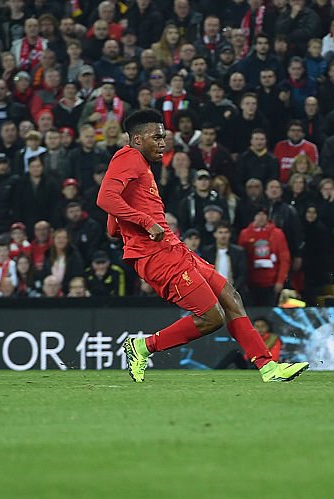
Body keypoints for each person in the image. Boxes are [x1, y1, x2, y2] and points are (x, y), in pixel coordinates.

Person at [96, 110, 308, 384]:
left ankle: (269, 368)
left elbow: (112, 226)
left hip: (174, 249)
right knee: (211, 317)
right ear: (137, 139)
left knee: (231, 296)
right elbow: (104, 198)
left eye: (164, 137)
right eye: (156, 137)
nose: (162, 143)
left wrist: (127, 222)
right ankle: (143, 347)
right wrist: (145, 221)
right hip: (156, 256)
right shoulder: (129, 157)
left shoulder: (139, 165)